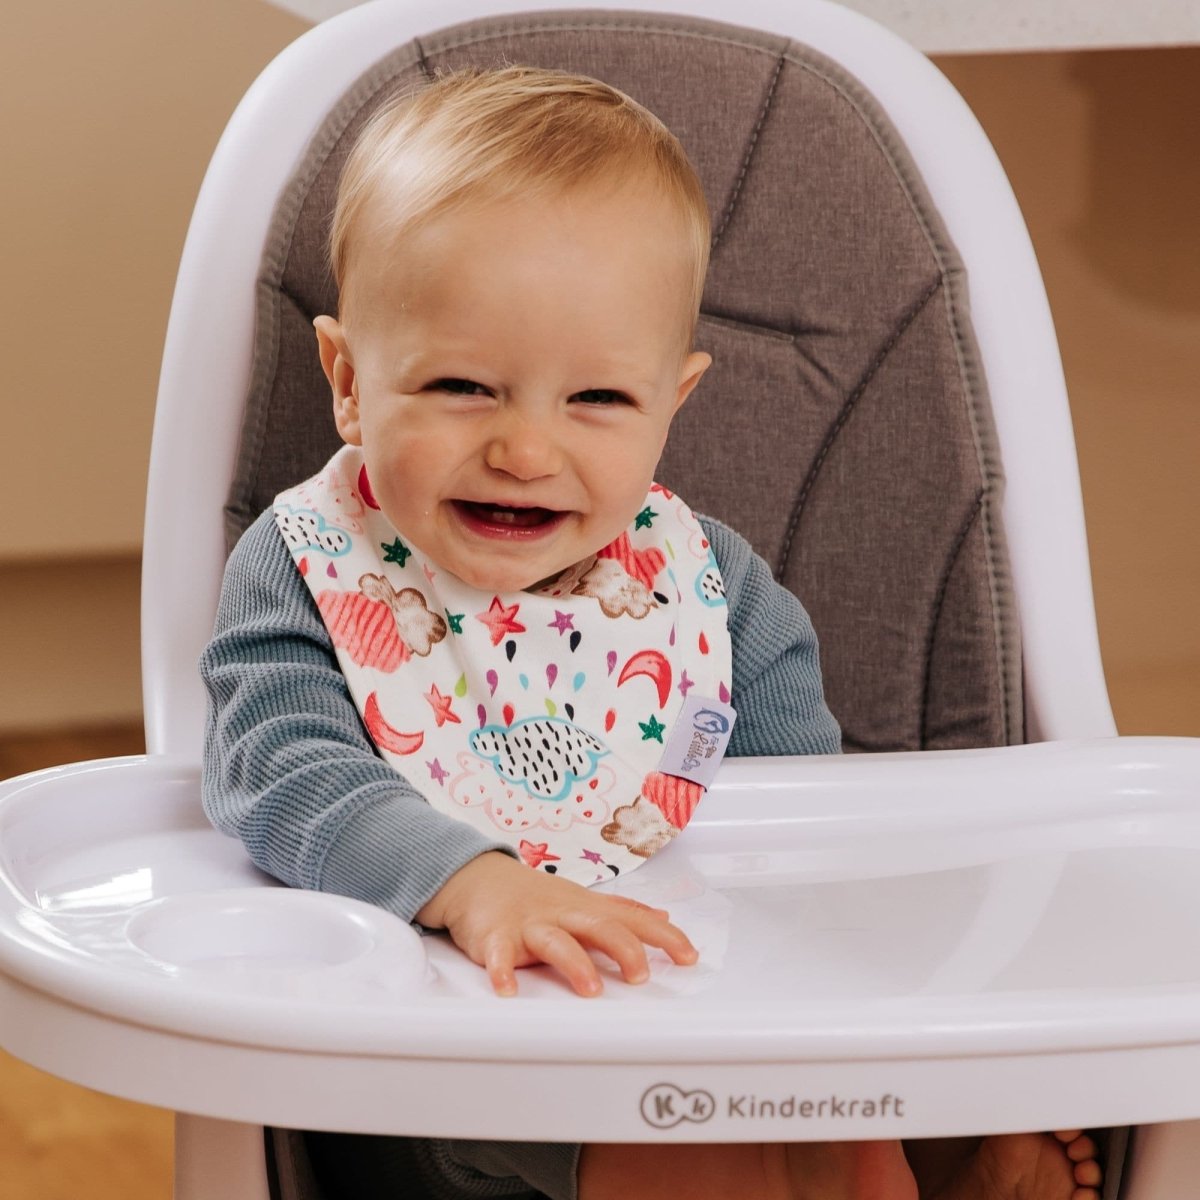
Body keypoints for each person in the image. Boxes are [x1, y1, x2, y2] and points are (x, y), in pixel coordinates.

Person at [200, 66, 1102, 1200]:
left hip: (702, 989)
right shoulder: (308, 568)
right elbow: (279, 776)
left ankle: (870, 1138)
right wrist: (476, 889)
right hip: (450, 1026)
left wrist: (837, 972)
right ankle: (795, 1163)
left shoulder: (706, 587)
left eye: (598, 402)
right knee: (592, 1120)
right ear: (347, 379)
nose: (527, 449)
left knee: (828, 1023)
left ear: (673, 399)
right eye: (465, 387)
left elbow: (810, 829)